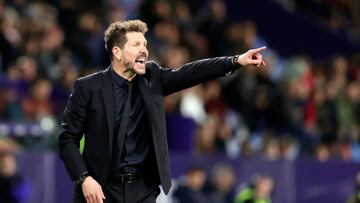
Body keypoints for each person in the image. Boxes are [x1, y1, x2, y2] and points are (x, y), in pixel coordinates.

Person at [58, 19, 266, 203]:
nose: (144, 50)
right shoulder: (88, 87)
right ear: (117, 52)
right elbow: (68, 138)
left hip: (141, 191)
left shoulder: (153, 77)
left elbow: (190, 72)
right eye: (136, 44)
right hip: (100, 191)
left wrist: (235, 61)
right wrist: (84, 178)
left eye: (145, 45)